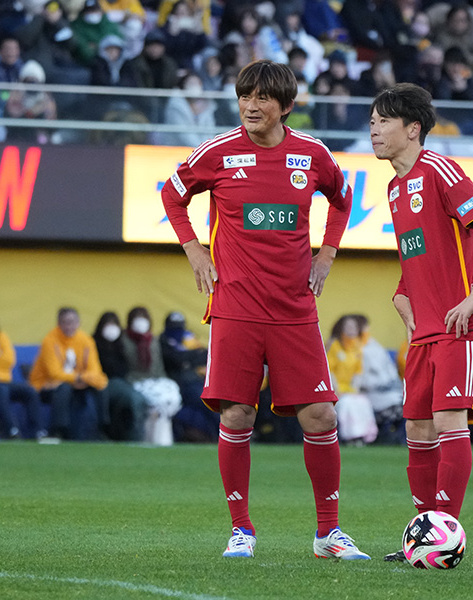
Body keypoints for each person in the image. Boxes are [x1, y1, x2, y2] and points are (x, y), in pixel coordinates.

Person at [161, 59, 370, 560]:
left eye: (262, 98)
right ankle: (241, 530)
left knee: (321, 414)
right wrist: (194, 249)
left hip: (295, 309)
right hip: (235, 305)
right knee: (237, 413)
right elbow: (172, 194)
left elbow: (343, 199)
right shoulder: (217, 152)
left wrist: (327, 253)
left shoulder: (312, 154)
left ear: (286, 106)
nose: (251, 106)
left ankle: (328, 534)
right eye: (244, 96)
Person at [369, 82, 473, 562]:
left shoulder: (439, 170)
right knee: (418, 431)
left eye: (383, 121)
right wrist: (401, 293)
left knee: (448, 421)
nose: (373, 129)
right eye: (372, 121)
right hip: (424, 332)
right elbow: (418, 253)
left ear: (413, 129)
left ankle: (445, 532)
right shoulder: (394, 188)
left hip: (459, 326)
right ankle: (422, 534)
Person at [29, 307, 110, 440]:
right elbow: (54, 373)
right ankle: (59, 430)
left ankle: (103, 428)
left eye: (72, 322)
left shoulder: (86, 340)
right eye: (65, 322)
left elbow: (94, 370)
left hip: (78, 382)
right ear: (58, 324)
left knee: (101, 385)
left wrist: (83, 378)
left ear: (78, 323)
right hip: (48, 385)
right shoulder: (49, 340)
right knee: (64, 388)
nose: (69, 326)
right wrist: (78, 377)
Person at [0, 300, 46, 440]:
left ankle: (37, 432)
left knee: (29, 391)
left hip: (3, 381)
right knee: (0, 390)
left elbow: (9, 360)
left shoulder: (0, 336)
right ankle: (12, 431)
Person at [121, 306, 182, 446]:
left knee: (171, 397)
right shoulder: (124, 339)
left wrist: (162, 380)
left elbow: (158, 366)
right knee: (158, 402)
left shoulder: (153, 340)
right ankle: (154, 439)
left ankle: (161, 438)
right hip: (136, 380)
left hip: (156, 379)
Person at [160, 311, 218, 442]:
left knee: (213, 401)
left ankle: (218, 435)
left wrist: (187, 359)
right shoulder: (162, 341)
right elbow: (175, 360)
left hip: (195, 381)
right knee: (206, 401)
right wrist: (190, 357)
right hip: (178, 384)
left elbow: (203, 354)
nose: (177, 332)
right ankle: (218, 435)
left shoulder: (189, 339)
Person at [93, 311, 148, 442]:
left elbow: (125, 368)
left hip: (122, 382)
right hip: (102, 383)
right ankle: (135, 436)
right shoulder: (93, 343)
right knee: (133, 398)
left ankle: (135, 434)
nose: (111, 329)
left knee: (139, 399)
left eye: (114, 324)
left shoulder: (121, 344)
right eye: (108, 324)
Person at [327, 315, 378, 445]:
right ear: (341, 328)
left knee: (363, 402)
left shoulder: (357, 347)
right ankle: (350, 437)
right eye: (348, 326)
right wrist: (336, 390)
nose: (351, 329)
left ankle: (364, 436)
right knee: (347, 404)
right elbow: (329, 371)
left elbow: (358, 373)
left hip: (350, 389)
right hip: (336, 389)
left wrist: (354, 390)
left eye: (354, 327)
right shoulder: (334, 345)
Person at [353, 314, 404, 444]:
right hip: (371, 393)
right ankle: (388, 437)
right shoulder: (353, 349)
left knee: (406, 402)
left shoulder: (374, 345)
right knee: (398, 405)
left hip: (390, 389)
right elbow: (361, 379)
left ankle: (402, 438)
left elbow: (389, 370)